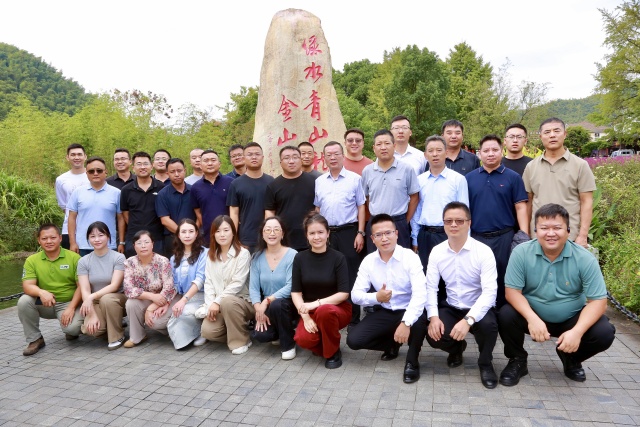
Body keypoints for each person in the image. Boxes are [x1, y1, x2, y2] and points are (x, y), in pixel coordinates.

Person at [498, 204, 616, 386]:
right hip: (533, 316)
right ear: (536, 231)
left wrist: (577, 332)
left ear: (568, 231)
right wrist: (532, 318)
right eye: (544, 228)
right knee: (506, 314)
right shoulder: (521, 252)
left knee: (604, 332)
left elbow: (598, 301)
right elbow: (512, 292)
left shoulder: (585, 258)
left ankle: (571, 357)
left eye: (557, 228)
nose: (550, 233)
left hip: (571, 318)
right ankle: (517, 360)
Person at [425, 202, 499, 389]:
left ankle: (485, 363)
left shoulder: (483, 251)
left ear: (469, 223)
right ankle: (457, 349)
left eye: (459, 221)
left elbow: (490, 292)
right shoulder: (437, 251)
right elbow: (431, 287)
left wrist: (469, 320)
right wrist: (433, 317)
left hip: (478, 307)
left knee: (489, 326)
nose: (453, 225)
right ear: (443, 224)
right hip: (452, 306)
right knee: (434, 335)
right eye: (448, 221)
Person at [347, 214, 428, 383]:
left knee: (419, 321)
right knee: (354, 340)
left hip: (410, 309)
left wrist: (406, 323)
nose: (384, 238)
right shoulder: (369, 261)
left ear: (396, 234)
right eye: (378, 235)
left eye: (388, 233)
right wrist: (376, 297)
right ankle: (392, 344)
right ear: (372, 239)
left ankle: (412, 362)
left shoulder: (410, 257)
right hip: (386, 310)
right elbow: (355, 295)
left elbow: (420, 294)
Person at [466, 135, 528, 308]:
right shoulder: (469, 178)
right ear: (479, 154)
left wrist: (524, 234)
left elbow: (521, 207)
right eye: (486, 150)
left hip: (504, 237)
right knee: (477, 276)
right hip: (477, 236)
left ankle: (502, 312)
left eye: (495, 150)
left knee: (504, 276)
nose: (490, 154)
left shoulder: (513, 177)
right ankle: (480, 312)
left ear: (502, 151)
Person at [314, 141, 366, 329]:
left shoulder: (355, 179)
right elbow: (317, 209)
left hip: (349, 232)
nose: (333, 157)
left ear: (343, 156)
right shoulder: (319, 181)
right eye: (329, 154)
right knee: (328, 273)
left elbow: (361, 206)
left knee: (352, 274)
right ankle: (331, 314)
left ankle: (353, 318)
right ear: (324, 158)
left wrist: (360, 232)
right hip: (327, 234)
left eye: (336, 153)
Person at [523, 118, 596, 247]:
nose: (552, 135)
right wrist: (527, 233)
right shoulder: (531, 167)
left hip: (570, 237)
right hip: (539, 236)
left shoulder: (580, 165)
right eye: (547, 132)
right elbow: (528, 202)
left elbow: (586, 201)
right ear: (541, 137)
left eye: (557, 131)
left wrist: (583, 235)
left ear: (565, 134)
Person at [291, 213, 351, 369]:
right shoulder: (300, 258)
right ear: (306, 235)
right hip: (310, 311)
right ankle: (326, 343)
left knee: (324, 311)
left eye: (320, 232)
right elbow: (296, 292)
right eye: (312, 233)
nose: (316, 237)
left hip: (337, 309)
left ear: (328, 233)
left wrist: (316, 304)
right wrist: (305, 317)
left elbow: (344, 293)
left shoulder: (338, 258)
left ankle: (333, 352)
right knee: (303, 339)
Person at [18, 224, 84, 356]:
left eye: (53, 238)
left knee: (72, 329)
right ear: (39, 240)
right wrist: (41, 292)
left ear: (60, 238)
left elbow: (82, 286)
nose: (49, 241)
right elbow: (27, 285)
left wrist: (71, 307)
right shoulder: (32, 260)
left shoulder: (74, 258)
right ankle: (35, 339)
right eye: (44, 238)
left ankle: (70, 331)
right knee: (24, 301)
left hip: (69, 303)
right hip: (45, 303)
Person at [411, 135, 469, 272]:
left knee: (450, 275)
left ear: (446, 153)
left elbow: (464, 212)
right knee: (427, 273)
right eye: (430, 151)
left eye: (439, 150)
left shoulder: (458, 179)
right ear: (425, 155)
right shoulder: (419, 180)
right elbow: (417, 210)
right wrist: (415, 237)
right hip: (425, 235)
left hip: (449, 234)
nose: (435, 154)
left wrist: (465, 239)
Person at [199, 215, 254, 354]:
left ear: (233, 232)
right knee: (208, 332)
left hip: (241, 302)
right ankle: (239, 332)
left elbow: (237, 283)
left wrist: (217, 302)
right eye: (218, 231)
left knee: (228, 302)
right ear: (213, 234)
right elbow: (208, 282)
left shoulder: (243, 254)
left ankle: (241, 341)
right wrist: (211, 304)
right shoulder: (211, 255)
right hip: (219, 305)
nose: (222, 234)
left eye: (226, 230)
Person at [361, 130, 419, 252]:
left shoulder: (406, 169)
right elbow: (366, 197)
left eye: (387, 143)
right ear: (374, 148)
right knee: (375, 259)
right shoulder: (367, 171)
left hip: (398, 223)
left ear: (394, 146)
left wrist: (405, 221)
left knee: (401, 259)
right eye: (379, 144)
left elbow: (414, 197)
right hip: (375, 223)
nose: (383, 147)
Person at [249, 217, 298, 359]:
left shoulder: (292, 255)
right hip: (267, 307)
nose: (272, 233)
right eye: (268, 230)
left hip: (288, 304)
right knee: (261, 335)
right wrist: (259, 309)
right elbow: (253, 288)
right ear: (262, 234)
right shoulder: (256, 257)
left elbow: (291, 286)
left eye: (276, 229)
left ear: (282, 234)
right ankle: (281, 332)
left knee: (277, 304)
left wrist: (267, 301)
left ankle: (288, 345)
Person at [77, 221, 127, 350]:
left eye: (101, 235)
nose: (97, 239)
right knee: (92, 330)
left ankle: (117, 336)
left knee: (107, 299)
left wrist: (92, 296)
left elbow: (114, 285)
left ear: (108, 236)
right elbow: (85, 289)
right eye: (92, 236)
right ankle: (109, 324)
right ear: (88, 239)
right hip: (95, 301)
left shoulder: (119, 257)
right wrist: (92, 314)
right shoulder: (83, 261)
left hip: (117, 299)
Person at [123, 230, 177, 348]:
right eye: (139, 243)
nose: (143, 246)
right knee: (131, 303)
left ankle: (171, 329)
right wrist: (151, 296)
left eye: (146, 242)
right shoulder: (130, 262)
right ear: (134, 246)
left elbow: (169, 287)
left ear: (152, 244)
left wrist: (151, 308)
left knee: (156, 322)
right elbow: (128, 289)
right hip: (146, 298)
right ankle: (137, 337)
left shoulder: (163, 261)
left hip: (164, 299)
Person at [68, 156, 124, 256]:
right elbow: (71, 218)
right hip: (83, 245)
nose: (95, 173)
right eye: (91, 171)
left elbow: (121, 219)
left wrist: (121, 242)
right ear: (86, 173)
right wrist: (72, 242)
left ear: (106, 172)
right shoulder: (78, 192)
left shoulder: (116, 193)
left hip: (109, 244)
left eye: (99, 170)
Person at [166, 219, 209, 350]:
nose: (187, 235)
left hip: (201, 296)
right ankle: (189, 332)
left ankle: (203, 331)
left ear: (196, 233)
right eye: (183, 232)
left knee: (181, 313)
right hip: (183, 296)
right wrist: (166, 303)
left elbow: (200, 279)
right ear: (178, 235)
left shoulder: (205, 253)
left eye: (191, 231)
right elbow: (174, 284)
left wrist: (183, 300)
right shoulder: (174, 258)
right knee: (161, 319)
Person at [265, 146, 316, 251]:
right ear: (280, 162)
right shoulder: (273, 186)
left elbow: (318, 208)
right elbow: (269, 212)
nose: (291, 161)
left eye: (295, 157)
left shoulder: (314, 181)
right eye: (287, 158)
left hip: (311, 238)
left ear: (301, 160)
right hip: (284, 240)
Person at [227, 142, 275, 252]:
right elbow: (234, 213)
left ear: (263, 157)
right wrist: (234, 239)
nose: (254, 157)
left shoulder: (271, 182)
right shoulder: (236, 184)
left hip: (269, 237)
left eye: (257, 154)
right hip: (245, 239)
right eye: (250, 154)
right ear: (244, 158)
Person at [120, 152, 165, 257]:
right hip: (134, 238)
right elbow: (125, 214)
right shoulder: (126, 190)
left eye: (145, 164)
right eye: (139, 164)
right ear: (133, 168)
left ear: (151, 166)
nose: (143, 167)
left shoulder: (161, 187)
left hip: (157, 238)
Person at [191, 150, 233, 246]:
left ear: (219, 164)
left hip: (230, 234)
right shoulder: (195, 188)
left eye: (213, 160)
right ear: (200, 165)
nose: (210, 163)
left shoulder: (231, 183)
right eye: (206, 161)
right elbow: (198, 212)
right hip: (208, 236)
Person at [155, 158, 196, 257]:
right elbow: (165, 220)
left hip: (195, 238)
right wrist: (183, 234)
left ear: (185, 170)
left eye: (179, 171)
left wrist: (193, 233)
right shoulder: (162, 194)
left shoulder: (194, 191)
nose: (177, 174)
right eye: (172, 172)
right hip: (173, 239)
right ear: (167, 173)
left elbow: (200, 214)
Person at [55, 143, 89, 249]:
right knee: (71, 258)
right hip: (69, 230)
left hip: (93, 228)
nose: (76, 157)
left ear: (85, 156)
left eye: (79, 154)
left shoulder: (94, 175)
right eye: (73, 155)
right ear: (67, 157)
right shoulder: (61, 179)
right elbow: (64, 206)